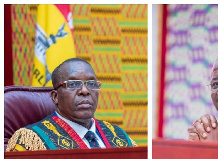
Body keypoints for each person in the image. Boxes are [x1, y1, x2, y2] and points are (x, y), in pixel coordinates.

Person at [6, 58, 137, 151]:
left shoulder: (119, 137)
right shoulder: (30, 141)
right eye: (73, 84)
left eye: (91, 84)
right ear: (55, 97)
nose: (85, 91)